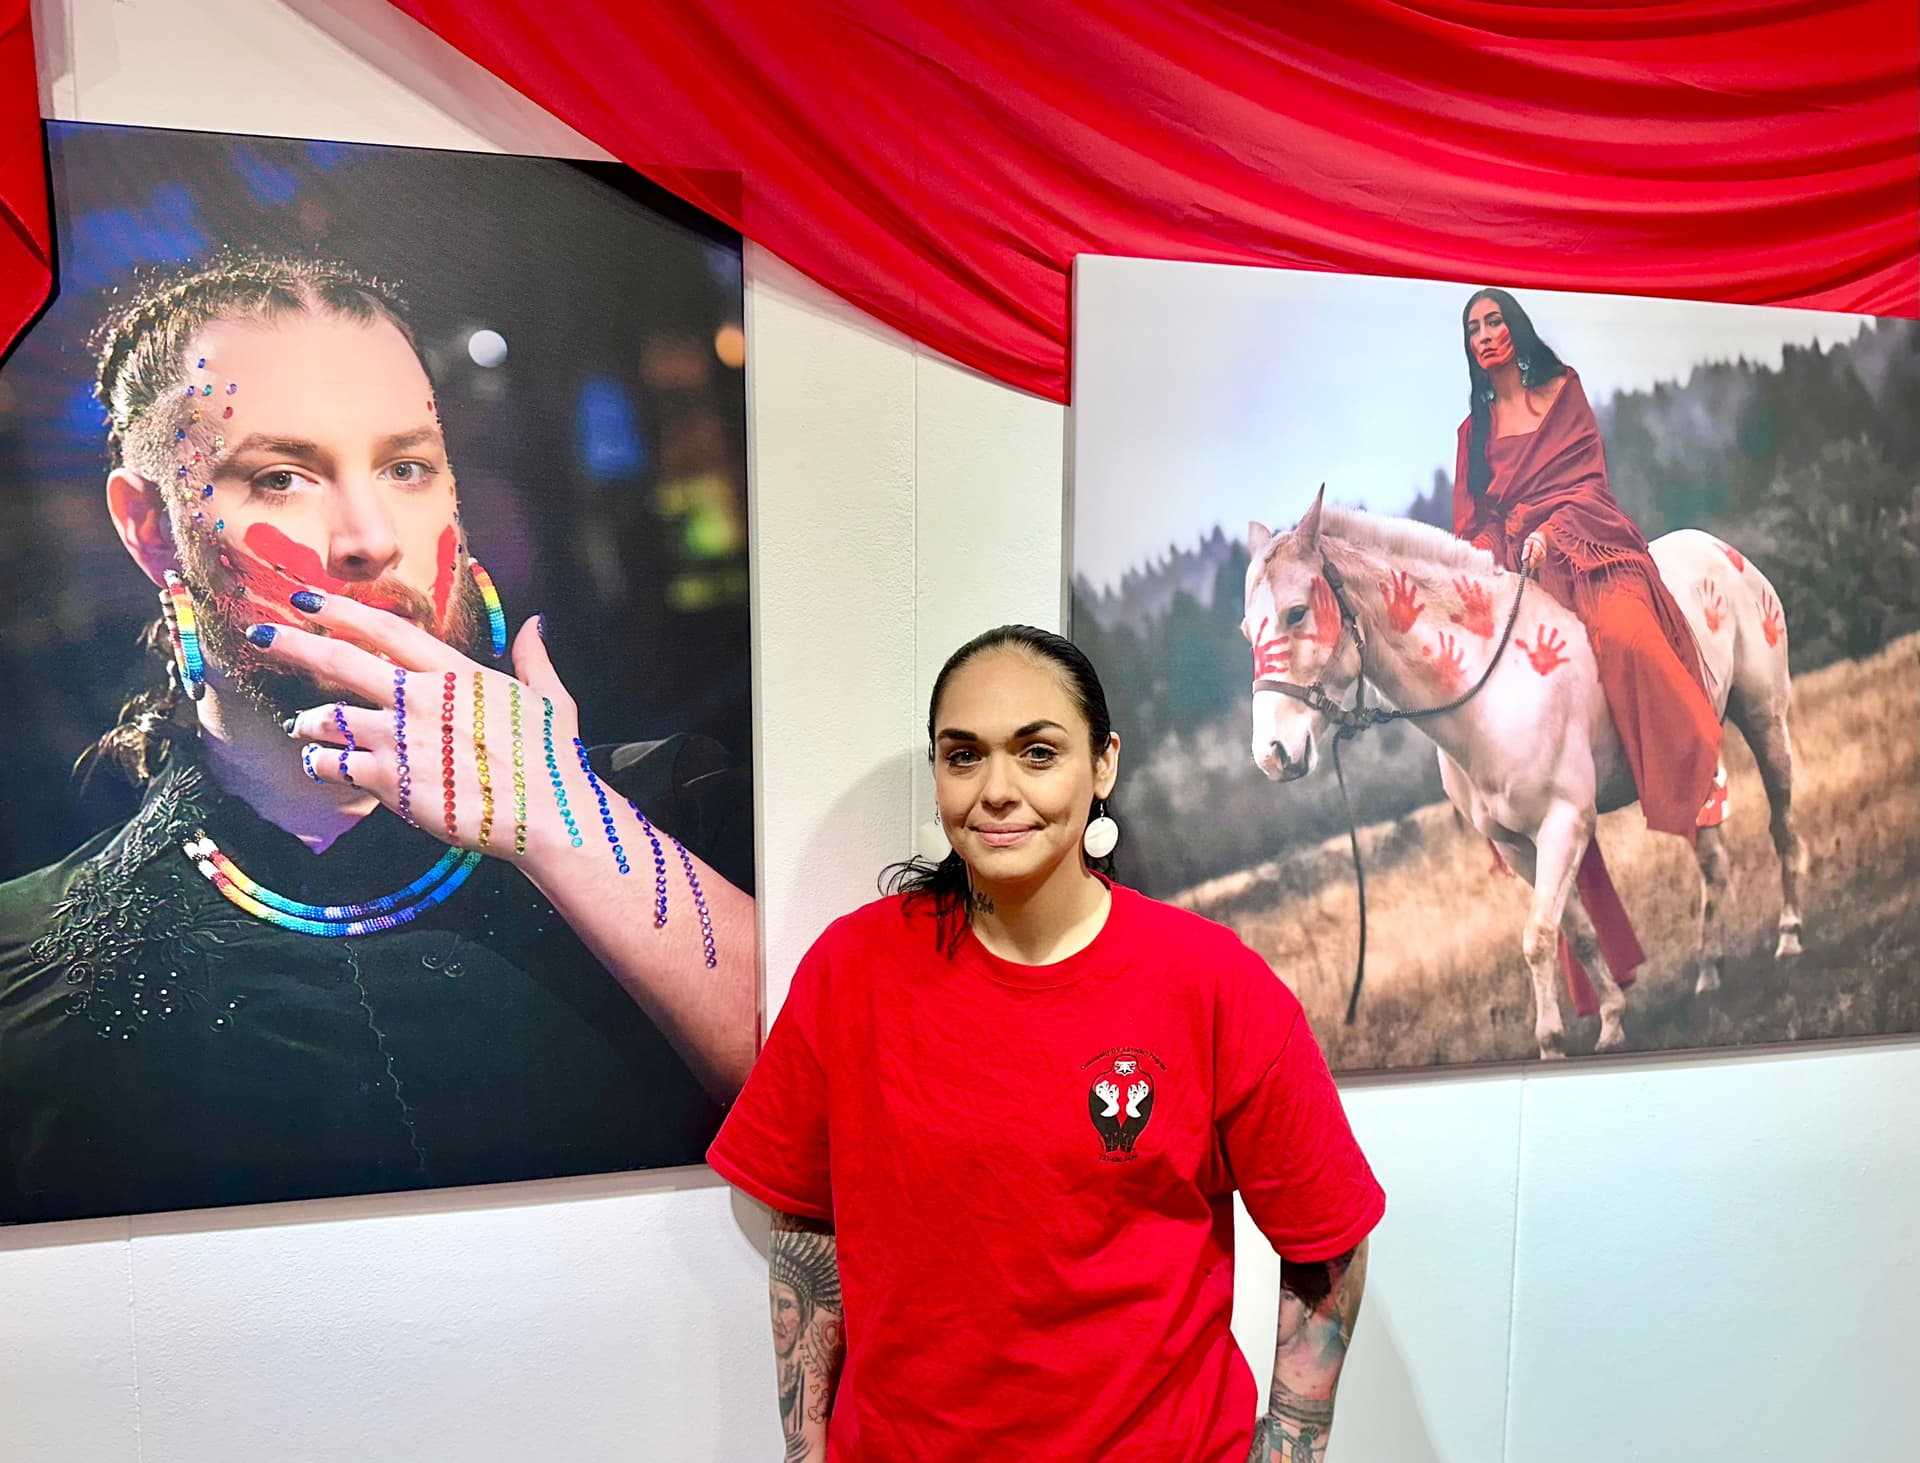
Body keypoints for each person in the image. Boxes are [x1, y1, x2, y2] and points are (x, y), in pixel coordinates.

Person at [0, 253, 756, 1225]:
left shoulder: (682, 817)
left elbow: (863, 1135)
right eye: (282, 476)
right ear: (149, 529)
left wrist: (565, 822)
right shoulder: (28, 962)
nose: (369, 537)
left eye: (406, 467)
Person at [708, 626, 1385, 1463]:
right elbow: (805, 1224)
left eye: (1037, 752)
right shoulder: (851, 972)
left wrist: (1290, 1448)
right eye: (963, 755)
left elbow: (1326, 1238)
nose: (996, 789)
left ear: (1102, 764)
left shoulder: (1212, 984)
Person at [1450, 287, 1726, 1001]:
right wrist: (1493, 552)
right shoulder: (1471, 433)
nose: (1486, 335)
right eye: (1473, 328)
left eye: (1494, 321)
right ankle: (1599, 958)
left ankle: (1694, 760)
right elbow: (1474, 521)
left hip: (1589, 548)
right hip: (1522, 570)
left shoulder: (1561, 391)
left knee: (1629, 638)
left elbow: (1589, 483)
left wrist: (1552, 532)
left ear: (1516, 328)